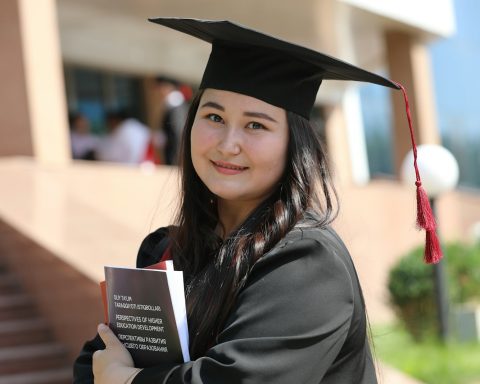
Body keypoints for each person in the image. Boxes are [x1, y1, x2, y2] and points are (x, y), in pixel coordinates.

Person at [73, 18, 439, 384]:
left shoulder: (307, 263)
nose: (228, 143)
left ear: (294, 144)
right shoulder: (168, 250)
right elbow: (94, 361)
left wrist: (126, 380)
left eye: (256, 125)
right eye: (214, 116)